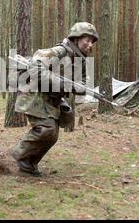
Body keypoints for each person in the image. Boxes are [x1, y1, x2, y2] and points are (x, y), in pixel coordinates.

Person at [11, 22, 98, 176]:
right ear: (77, 38)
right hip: (35, 94)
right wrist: (61, 83)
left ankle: (28, 164)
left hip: (52, 98)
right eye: (87, 40)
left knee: (52, 134)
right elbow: (36, 65)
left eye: (92, 41)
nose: (90, 44)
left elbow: (84, 84)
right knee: (47, 129)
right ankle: (19, 154)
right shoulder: (60, 51)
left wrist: (75, 87)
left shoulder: (81, 61)